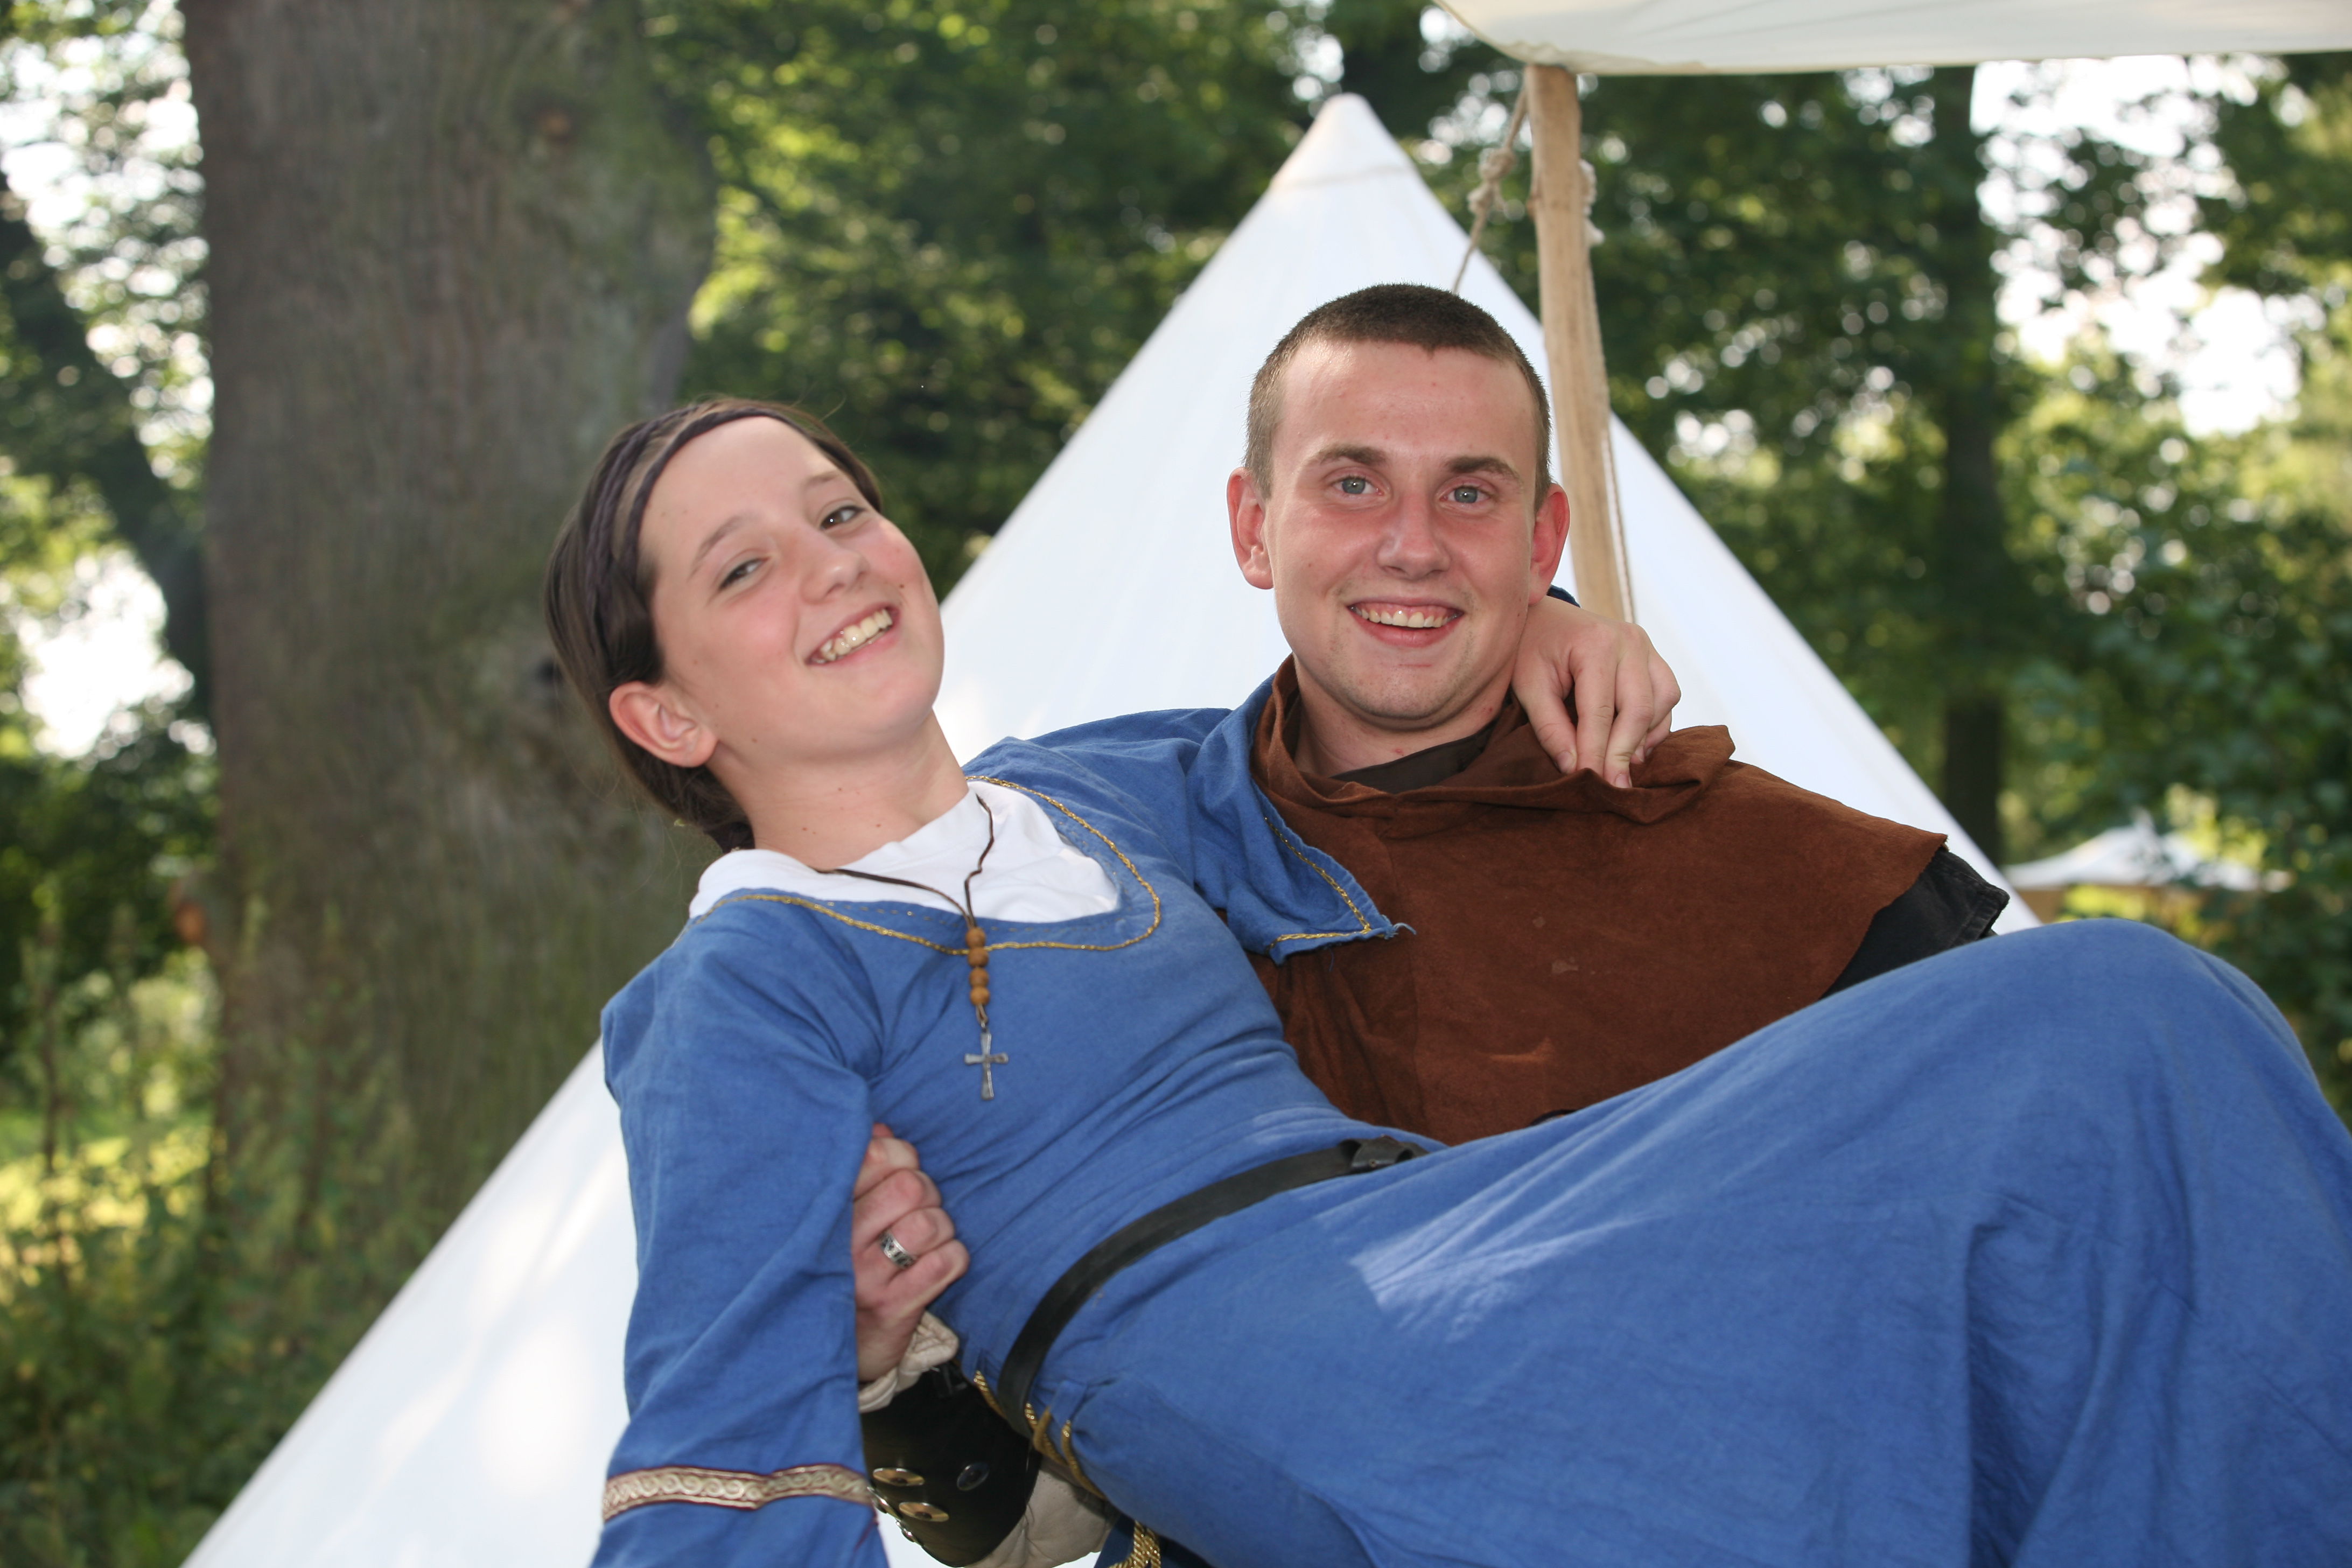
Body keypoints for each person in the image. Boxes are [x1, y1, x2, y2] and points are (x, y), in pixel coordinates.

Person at [546, 396, 2352, 1568]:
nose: (834, 567)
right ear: (667, 713)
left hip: (1449, 1233)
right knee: (2099, 1047)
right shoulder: (745, 977)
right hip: (1259, 1362)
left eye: (840, 510)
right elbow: (722, 1425)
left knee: (2129, 1027)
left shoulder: (1088, 790)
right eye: (746, 568)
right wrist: (877, 1373)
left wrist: (1526, 619)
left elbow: (1349, 712)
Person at [853, 285, 2007, 1564]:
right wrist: (887, 1365)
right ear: (1254, 526)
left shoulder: (1801, 892)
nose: (1412, 544)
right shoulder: (1103, 881)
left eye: (1470, 492)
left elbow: (1997, 1350)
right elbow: (1032, 1518)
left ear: (1542, 536)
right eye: (1352, 484)